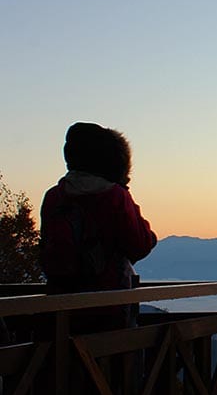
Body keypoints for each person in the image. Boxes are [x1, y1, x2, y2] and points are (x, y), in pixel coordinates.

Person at [39, 122, 158, 329]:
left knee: (64, 360)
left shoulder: (54, 196)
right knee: (123, 358)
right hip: (108, 307)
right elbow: (139, 245)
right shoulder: (115, 196)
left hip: (61, 307)